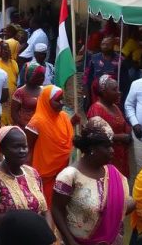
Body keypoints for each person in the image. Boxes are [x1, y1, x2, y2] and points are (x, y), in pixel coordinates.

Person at [51, 116, 132, 245]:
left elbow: (122, 203)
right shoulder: (69, 176)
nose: (112, 151)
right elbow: (56, 209)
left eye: (112, 146)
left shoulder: (113, 173)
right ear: (92, 148)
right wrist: (70, 241)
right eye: (106, 147)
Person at [0, 126, 47, 225]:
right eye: (16, 147)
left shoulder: (32, 173)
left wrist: (49, 234)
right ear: (2, 149)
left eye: (24, 146)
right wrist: (15, 220)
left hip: (36, 237)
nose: (22, 151)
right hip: (7, 237)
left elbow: (45, 210)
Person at [26, 85, 74, 207]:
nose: (61, 103)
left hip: (61, 175)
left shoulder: (63, 117)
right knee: (44, 207)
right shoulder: (36, 123)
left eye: (62, 99)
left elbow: (65, 139)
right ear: (46, 101)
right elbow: (27, 149)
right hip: (42, 178)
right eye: (57, 100)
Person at [87, 75, 132, 178]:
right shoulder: (96, 110)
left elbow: (123, 124)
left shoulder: (115, 107)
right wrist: (119, 137)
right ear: (104, 92)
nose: (119, 92)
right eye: (114, 90)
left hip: (120, 155)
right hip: (106, 157)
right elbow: (94, 136)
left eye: (118, 89)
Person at [10, 65, 44, 130]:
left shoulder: (44, 91)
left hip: (40, 128)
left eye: (43, 76)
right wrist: (26, 126)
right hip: (24, 128)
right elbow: (14, 114)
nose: (42, 78)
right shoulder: (20, 92)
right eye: (39, 76)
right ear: (32, 77)